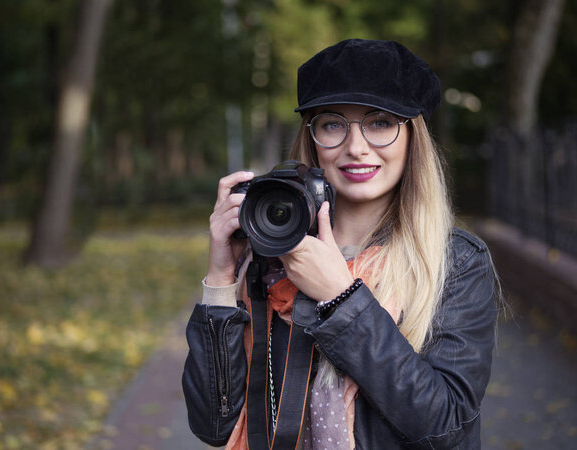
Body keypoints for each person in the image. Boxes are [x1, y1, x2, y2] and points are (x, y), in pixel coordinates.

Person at [182, 39, 499, 450]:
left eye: (380, 122)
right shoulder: (272, 253)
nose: (355, 146)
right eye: (332, 124)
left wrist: (341, 298)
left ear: (411, 137)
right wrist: (222, 278)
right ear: (312, 137)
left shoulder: (455, 262)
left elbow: (446, 429)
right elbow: (213, 426)